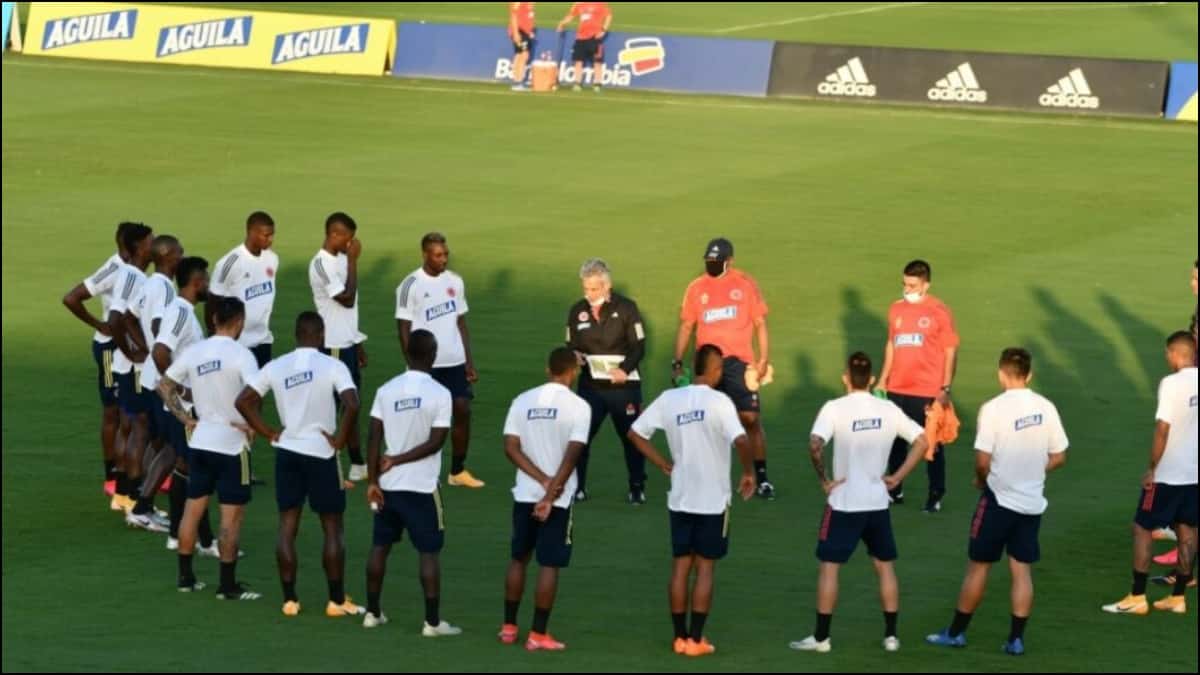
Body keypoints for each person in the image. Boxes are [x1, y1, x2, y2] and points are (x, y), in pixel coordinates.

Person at [926, 348, 1069, 655]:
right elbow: (1059, 456)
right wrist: (1033, 469)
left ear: (1001, 374)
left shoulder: (992, 408)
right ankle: (1016, 639)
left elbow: (982, 461)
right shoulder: (1046, 406)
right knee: (1022, 571)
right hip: (1032, 503)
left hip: (998, 501)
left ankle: (956, 633)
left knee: (978, 568)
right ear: (1029, 374)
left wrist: (981, 479)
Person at [789, 352, 929, 654]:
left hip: (844, 504)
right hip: (877, 502)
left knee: (830, 568)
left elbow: (815, 446)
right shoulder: (888, 408)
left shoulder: (834, 408)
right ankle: (891, 636)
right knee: (885, 568)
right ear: (873, 379)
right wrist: (898, 476)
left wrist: (824, 479)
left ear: (845, 378)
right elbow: (922, 441)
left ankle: (822, 638)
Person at [627, 344, 756, 657]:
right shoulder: (720, 401)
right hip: (713, 499)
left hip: (681, 497)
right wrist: (749, 472)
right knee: (706, 569)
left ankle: (679, 637)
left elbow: (634, 433)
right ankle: (697, 640)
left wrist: (661, 464)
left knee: (680, 568)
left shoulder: (670, 398)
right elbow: (741, 439)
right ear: (713, 370)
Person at [236, 311, 364, 618]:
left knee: (287, 525)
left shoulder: (276, 366)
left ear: (296, 335)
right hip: (321, 453)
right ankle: (336, 600)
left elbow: (243, 401)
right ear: (320, 335)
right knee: (332, 526)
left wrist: (268, 432)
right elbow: (353, 403)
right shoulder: (333, 365)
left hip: (288, 451)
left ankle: (290, 600)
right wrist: (340, 439)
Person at [159, 297, 261, 599]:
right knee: (231, 516)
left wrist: (184, 417)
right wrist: (253, 425)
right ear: (240, 322)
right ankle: (227, 586)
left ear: (214, 319)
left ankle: (185, 578)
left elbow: (164, 385)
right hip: (232, 444)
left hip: (201, 440)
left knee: (193, 509)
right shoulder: (242, 355)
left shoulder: (195, 352)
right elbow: (253, 394)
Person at [363, 330, 462, 636]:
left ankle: (373, 613)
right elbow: (436, 442)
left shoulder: (386, 389)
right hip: (421, 487)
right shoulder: (440, 393)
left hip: (388, 487)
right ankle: (432, 623)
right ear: (432, 356)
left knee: (380, 548)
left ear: (407, 354)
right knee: (428, 553)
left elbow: (373, 438)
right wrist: (400, 460)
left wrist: (372, 480)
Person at [499, 347, 591, 650]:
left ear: (547, 369)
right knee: (548, 564)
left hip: (525, 493)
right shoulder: (579, 407)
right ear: (572, 372)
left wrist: (539, 481)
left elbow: (510, 447)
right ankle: (538, 634)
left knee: (519, 558)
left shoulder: (522, 400)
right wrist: (551, 493)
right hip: (558, 500)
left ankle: (509, 628)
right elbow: (572, 454)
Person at [1102, 331, 1197, 616]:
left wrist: (1152, 468)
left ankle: (1137, 596)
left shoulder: (1171, 384)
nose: (1166, 358)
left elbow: (1162, 429)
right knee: (1187, 530)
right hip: (1194, 474)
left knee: (1142, 527)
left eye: (1167, 353)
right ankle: (1178, 597)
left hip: (1168, 473)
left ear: (1177, 354)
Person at [674, 237, 775, 499]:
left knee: (750, 419)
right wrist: (677, 361)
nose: (712, 265)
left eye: (717, 262)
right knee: (703, 419)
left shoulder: (745, 284)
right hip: (707, 362)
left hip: (739, 362)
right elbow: (686, 326)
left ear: (729, 262)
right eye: (709, 262)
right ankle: (702, 477)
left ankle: (761, 477)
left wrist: (763, 359)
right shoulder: (696, 288)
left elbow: (759, 323)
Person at [395, 232, 483, 489]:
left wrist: (468, 361)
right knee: (422, 419)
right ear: (425, 254)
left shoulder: (455, 281)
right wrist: (411, 364)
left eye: (445, 254)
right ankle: (415, 470)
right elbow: (403, 327)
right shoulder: (410, 285)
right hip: (425, 365)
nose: (443, 259)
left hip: (454, 363)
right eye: (438, 255)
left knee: (463, 410)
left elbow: (461, 323)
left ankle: (457, 470)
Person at [876, 259, 960, 513]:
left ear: (926, 285)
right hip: (897, 387)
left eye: (913, 285)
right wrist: (883, 379)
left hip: (927, 390)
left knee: (931, 443)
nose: (907, 289)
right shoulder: (896, 309)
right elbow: (892, 344)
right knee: (894, 440)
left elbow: (950, 351)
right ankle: (895, 488)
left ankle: (935, 493)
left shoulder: (939, 311)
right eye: (905, 284)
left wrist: (945, 388)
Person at [62, 222, 136, 501]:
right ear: (129, 247)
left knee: (132, 412)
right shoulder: (113, 270)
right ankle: (112, 478)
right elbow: (71, 298)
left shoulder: (134, 270)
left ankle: (131, 471)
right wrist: (98, 324)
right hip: (109, 349)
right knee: (113, 411)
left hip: (126, 349)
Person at [564, 258, 647, 504]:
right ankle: (578, 487)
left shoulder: (627, 309)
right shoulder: (576, 310)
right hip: (591, 387)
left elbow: (639, 346)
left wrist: (624, 369)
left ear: (606, 287)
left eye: (593, 289)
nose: (588, 294)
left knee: (631, 437)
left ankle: (636, 487)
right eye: (585, 288)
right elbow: (571, 345)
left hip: (624, 387)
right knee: (581, 437)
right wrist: (575, 356)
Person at [153, 257, 218, 555]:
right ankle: (193, 538)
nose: (208, 284)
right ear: (196, 281)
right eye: (205, 278)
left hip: (189, 405)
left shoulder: (186, 312)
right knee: (192, 467)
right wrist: (180, 389)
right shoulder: (179, 312)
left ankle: (189, 536)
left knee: (187, 466)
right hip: (185, 406)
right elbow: (160, 351)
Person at [124, 235, 184, 532]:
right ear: (168, 256)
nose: (182, 256)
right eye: (179, 252)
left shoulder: (150, 284)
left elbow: (128, 318)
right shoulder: (163, 289)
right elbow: (162, 328)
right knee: (173, 446)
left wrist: (144, 347)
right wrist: (162, 355)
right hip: (162, 378)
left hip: (150, 374)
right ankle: (142, 506)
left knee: (157, 440)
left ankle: (139, 498)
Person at [309, 212, 369, 479]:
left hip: (346, 343)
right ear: (334, 234)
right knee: (332, 410)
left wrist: (357, 342)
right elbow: (346, 298)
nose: (351, 243)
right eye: (348, 237)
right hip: (331, 346)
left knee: (351, 405)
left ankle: (357, 465)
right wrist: (354, 262)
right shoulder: (321, 264)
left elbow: (350, 310)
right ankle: (323, 464)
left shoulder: (343, 259)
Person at [106, 223, 155, 512]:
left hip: (126, 366)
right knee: (140, 429)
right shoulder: (135, 278)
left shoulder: (128, 274)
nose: (153, 245)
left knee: (128, 427)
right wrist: (136, 351)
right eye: (150, 242)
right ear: (139, 247)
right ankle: (136, 499)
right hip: (133, 368)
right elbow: (117, 320)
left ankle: (123, 495)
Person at [207, 211, 278, 367]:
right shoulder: (230, 263)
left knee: (258, 390)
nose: (271, 240)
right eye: (266, 235)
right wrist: (214, 342)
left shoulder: (272, 259)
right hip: (237, 343)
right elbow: (212, 302)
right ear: (252, 233)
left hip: (263, 341)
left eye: (272, 235)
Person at [555, 1, 611, 92]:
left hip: (595, 36)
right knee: (578, 61)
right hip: (581, 37)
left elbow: (608, 16)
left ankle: (597, 84)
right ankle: (577, 83)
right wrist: (562, 23)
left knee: (597, 62)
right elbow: (571, 16)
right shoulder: (578, 3)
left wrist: (604, 30)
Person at [508, 2, 536, 91]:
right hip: (519, 31)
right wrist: (516, 33)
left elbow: (528, 16)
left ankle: (517, 82)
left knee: (521, 54)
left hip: (525, 32)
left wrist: (530, 31)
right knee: (522, 55)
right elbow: (513, 15)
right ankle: (517, 82)